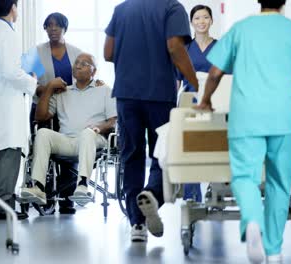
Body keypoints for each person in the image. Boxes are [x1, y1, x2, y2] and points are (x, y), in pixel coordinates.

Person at [195, 0, 291, 263]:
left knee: (245, 176)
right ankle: (275, 251)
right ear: (284, 2)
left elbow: (215, 72)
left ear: (259, 1)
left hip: (246, 116)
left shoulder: (241, 29)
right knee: (280, 182)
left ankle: (252, 221)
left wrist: (206, 100)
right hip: (283, 116)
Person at [104, 0, 198, 242]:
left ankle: (137, 223)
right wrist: (196, 84)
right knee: (162, 151)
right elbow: (175, 47)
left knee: (132, 155)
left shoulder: (122, 9)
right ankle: (152, 194)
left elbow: (108, 52)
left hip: (126, 94)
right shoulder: (172, 8)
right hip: (158, 93)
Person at [20, 53, 117, 206]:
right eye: (76, 62)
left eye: (84, 63)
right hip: (67, 140)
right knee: (43, 133)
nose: (78, 65)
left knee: (87, 133)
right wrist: (50, 88)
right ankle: (38, 187)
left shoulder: (104, 90)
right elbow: (40, 117)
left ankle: (82, 186)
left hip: (93, 139)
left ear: (94, 71)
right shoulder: (62, 92)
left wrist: (99, 127)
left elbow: (113, 121)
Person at [0, 0, 37, 220]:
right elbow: (11, 71)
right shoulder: (9, 34)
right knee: (9, 154)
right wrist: (32, 81)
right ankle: (3, 207)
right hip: (7, 104)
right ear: (13, 8)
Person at [31, 13, 84, 214]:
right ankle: (45, 195)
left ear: (64, 28)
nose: (52, 29)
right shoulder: (35, 53)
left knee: (69, 152)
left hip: (70, 109)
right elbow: (29, 83)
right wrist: (48, 88)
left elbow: (84, 82)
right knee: (46, 149)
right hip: (43, 108)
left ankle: (67, 199)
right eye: (49, 26)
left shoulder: (77, 54)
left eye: (57, 26)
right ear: (45, 29)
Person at [179, 4, 217, 202]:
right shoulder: (184, 49)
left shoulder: (221, 47)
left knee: (215, 145)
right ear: (192, 23)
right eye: (197, 18)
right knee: (191, 148)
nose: (202, 21)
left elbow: (228, 77)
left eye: (205, 17)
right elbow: (176, 80)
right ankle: (192, 196)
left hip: (215, 101)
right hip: (189, 101)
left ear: (211, 20)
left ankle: (215, 190)